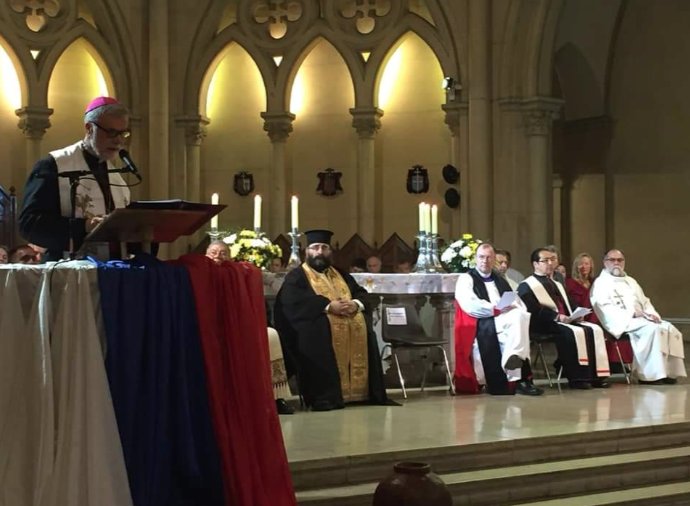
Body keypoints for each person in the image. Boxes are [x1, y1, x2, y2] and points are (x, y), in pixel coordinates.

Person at [274, 229, 389, 411]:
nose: (320, 251)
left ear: (330, 252)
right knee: (317, 335)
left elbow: (362, 294)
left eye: (324, 247)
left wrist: (355, 304)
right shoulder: (297, 276)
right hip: (316, 328)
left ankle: (363, 392)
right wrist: (328, 306)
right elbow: (292, 302)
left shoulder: (341, 274)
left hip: (350, 327)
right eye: (315, 247)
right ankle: (327, 396)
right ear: (307, 252)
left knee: (365, 328)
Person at [19, 96, 132, 261]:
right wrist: (84, 226)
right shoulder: (54, 165)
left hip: (113, 273)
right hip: (66, 273)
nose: (118, 140)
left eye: (123, 133)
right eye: (111, 132)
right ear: (89, 128)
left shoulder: (116, 177)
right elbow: (29, 225)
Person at [454, 243, 542, 396]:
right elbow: (469, 303)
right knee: (518, 324)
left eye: (489, 257)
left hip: (504, 318)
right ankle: (518, 375)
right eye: (481, 257)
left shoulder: (500, 279)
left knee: (520, 315)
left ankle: (513, 358)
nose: (485, 261)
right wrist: (494, 309)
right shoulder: (466, 278)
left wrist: (513, 306)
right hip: (484, 320)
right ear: (475, 258)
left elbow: (515, 300)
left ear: (493, 259)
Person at [518, 247, 610, 389]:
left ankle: (596, 376)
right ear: (535, 264)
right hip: (543, 324)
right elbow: (533, 310)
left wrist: (577, 314)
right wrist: (557, 316)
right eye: (545, 260)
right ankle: (577, 377)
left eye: (552, 260)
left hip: (563, 320)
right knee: (571, 333)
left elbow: (569, 303)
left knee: (593, 329)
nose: (549, 263)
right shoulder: (527, 285)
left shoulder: (557, 283)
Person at [591, 249, 686, 384]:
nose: (616, 263)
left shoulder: (631, 281)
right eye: (612, 260)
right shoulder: (601, 283)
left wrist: (652, 315)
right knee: (652, 330)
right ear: (605, 262)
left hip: (641, 319)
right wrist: (631, 313)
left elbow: (645, 301)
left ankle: (668, 373)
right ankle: (649, 376)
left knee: (668, 328)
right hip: (622, 322)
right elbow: (602, 306)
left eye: (620, 260)